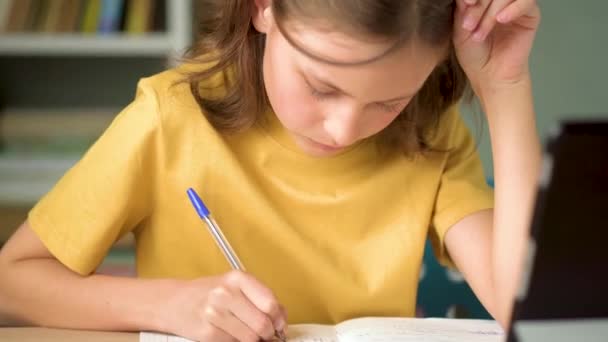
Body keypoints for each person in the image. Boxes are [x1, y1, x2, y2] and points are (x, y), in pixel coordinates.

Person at [0, 0, 542, 341]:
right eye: (321, 87)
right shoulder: (170, 119)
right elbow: (11, 283)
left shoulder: (432, 132)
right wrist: (168, 305)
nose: (343, 129)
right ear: (263, 8)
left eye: (390, 101)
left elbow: (525, 307)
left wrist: (505, 89)